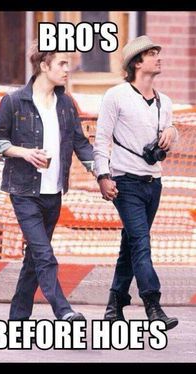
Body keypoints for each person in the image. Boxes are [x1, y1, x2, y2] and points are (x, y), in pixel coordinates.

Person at [0, 40, 94, 322]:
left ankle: (17, 320)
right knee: (44, 254)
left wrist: (101, 170)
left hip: (53, 192)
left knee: (35, 258)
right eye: (61, 63)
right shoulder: (14, 101)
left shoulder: (66, 103)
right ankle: (65, 311)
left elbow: (80, 142)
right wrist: (23, 152)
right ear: (44, 66)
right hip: (23, 191)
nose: (67, 69)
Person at [93, 35, 179, 330]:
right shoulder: (116, 95)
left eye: (158, 52)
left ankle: (114, 304)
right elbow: (102, 139)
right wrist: (102, 176)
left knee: (130, 244)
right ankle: (153, 306)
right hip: (124, 182)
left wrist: (171, 133)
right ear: (137, 62)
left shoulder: (163, 101)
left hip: (153, 183)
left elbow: (171, 131)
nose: (159, 57)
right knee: (142, 243)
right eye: (152, 54)